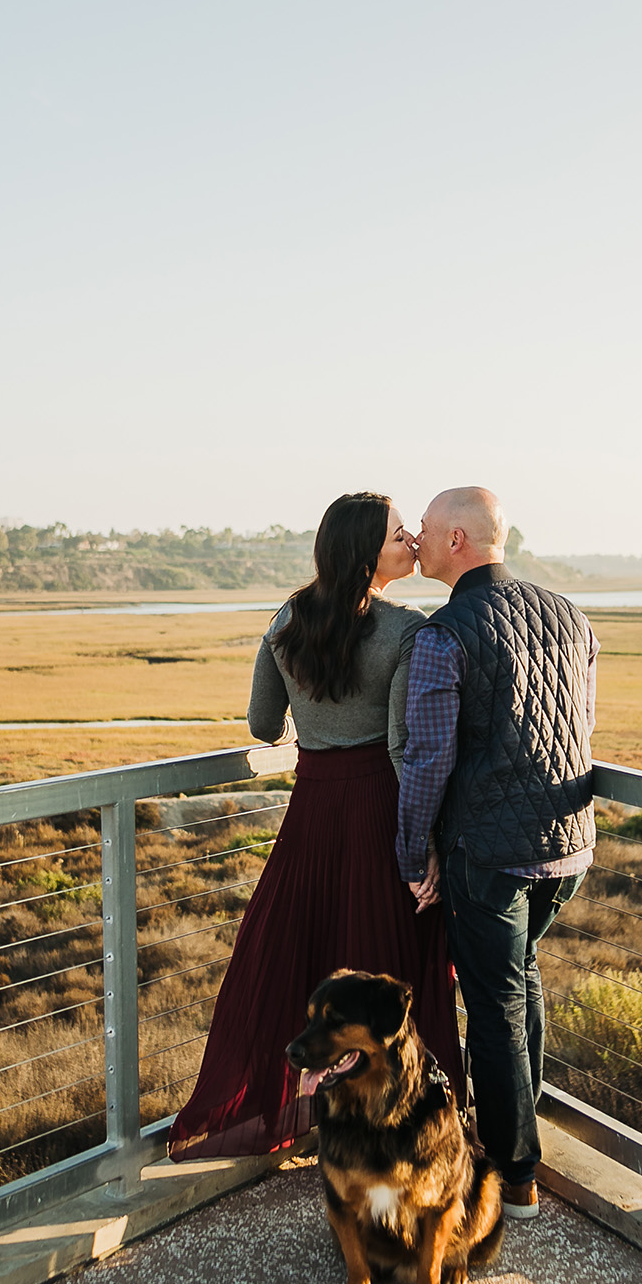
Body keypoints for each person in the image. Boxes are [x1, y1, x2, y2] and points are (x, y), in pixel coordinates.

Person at [166, 493, 464, 1161]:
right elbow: (401, 747)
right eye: (398, 536)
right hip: (380, 808)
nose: (412, 542)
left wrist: (313, 720)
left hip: (311, 808)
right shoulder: (409, 631)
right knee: (389, 960)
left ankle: (303, 1111)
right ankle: (397, 1124)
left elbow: (263, 726)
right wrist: (427, 845)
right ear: (366, 554)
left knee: (306, 949)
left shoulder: (285, 620)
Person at [394, 486, 598, 1221]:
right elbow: (579, 728)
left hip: (487, 853)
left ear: (455, 541)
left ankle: (514, 1172)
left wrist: (414, 857)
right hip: (569, 846)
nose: (414, 539)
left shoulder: (441, 635)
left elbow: (425, 761)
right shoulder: (571, 615)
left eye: (422, 529)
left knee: (495, 1001)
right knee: (519, 980)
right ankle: (523, 1129)